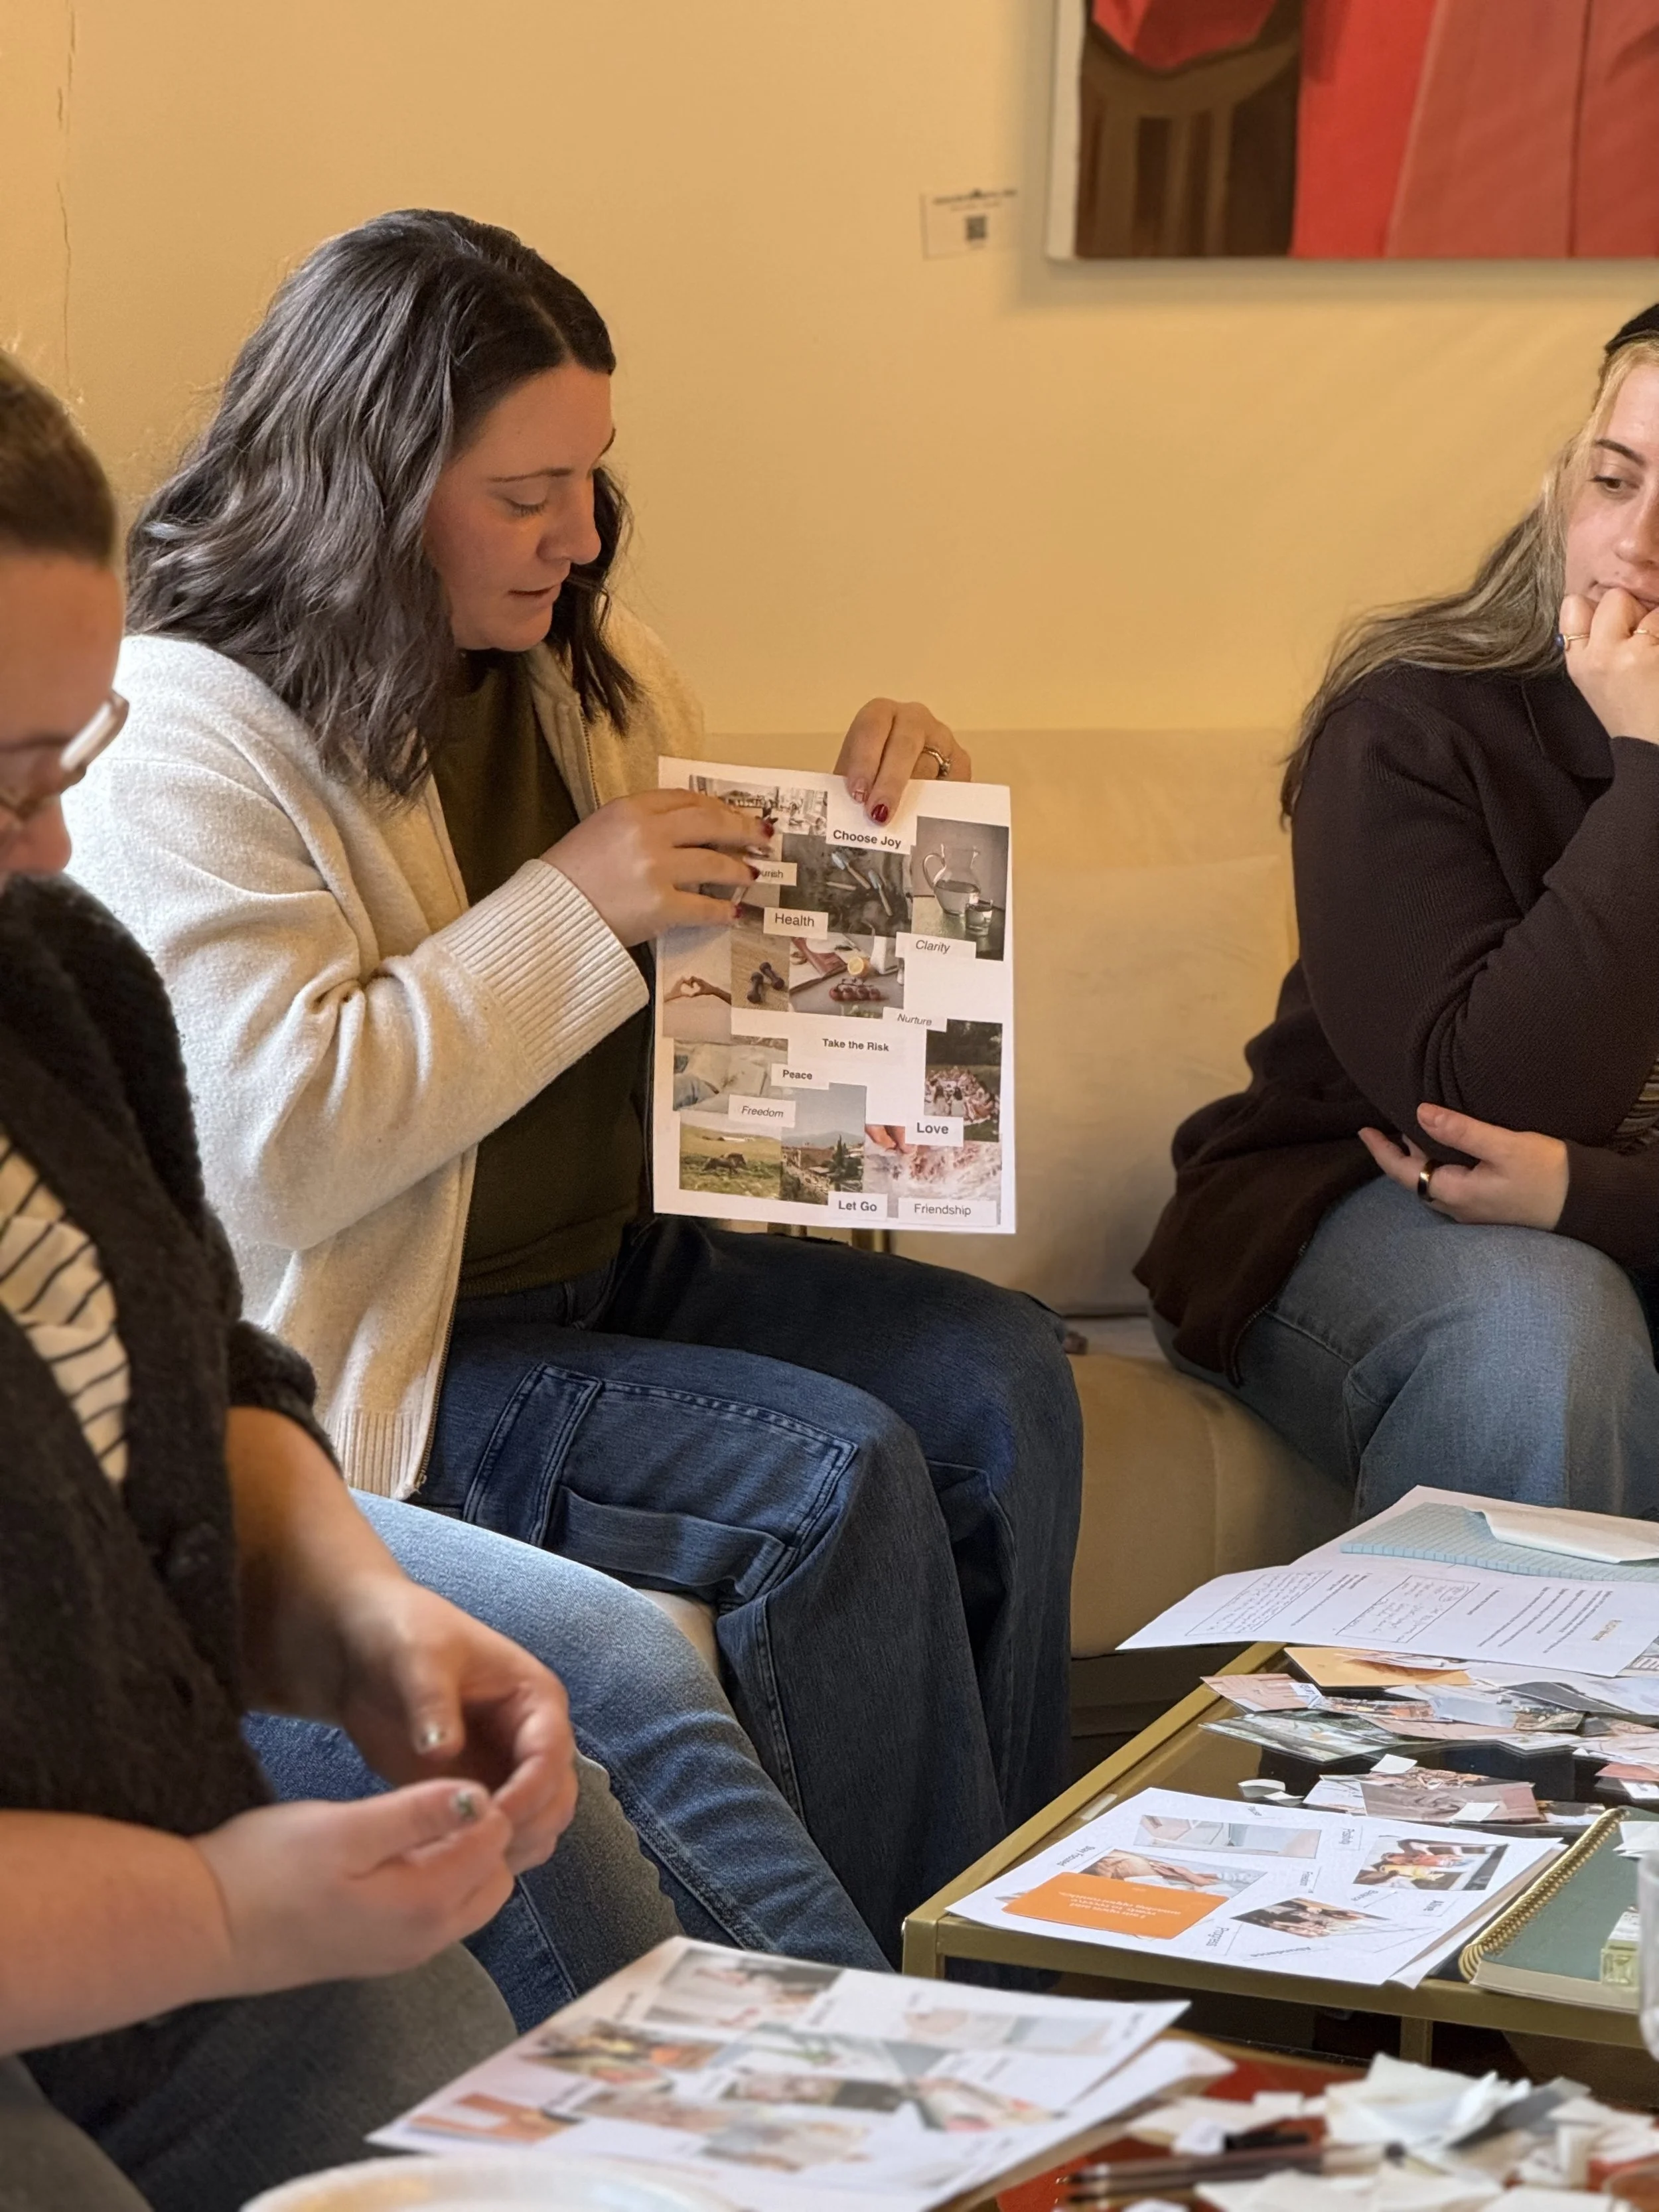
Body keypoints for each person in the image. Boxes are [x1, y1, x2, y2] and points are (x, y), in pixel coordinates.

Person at [64, 208, 1082, 1959]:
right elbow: (271, 1152)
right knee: (829, 1472)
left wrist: (872, 837)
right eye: (528, 491)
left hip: (610, 1265)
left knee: (994, 1370)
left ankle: (991, 1936)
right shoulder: (183, 727)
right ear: (370, 477)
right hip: (393, 1336)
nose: (583, 532)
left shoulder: (579, 669)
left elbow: (706, 986)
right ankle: (908, 1997)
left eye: (592, 479)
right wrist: (573, 909)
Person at [0, 350, 536, 2210]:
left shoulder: (51, 978)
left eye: (71, 770)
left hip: (162, 1920)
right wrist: (219, 1904)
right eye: (4, 785)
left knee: (497, 2118)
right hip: (97, 1937)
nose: (57, 850)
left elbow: (197, 1376)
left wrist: (354, 1614)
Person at [1136, 302, 1659, 1520]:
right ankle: (1498, 1718)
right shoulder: (1412, 725)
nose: (1636, 544)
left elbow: (1561, 1166)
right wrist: (1653, 770)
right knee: (1541, 1329)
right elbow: (1490, 1106)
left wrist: (1599, 1198)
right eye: (1615, 478)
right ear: (1558, 488)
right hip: (1362, 1203)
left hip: (1610, 1215)